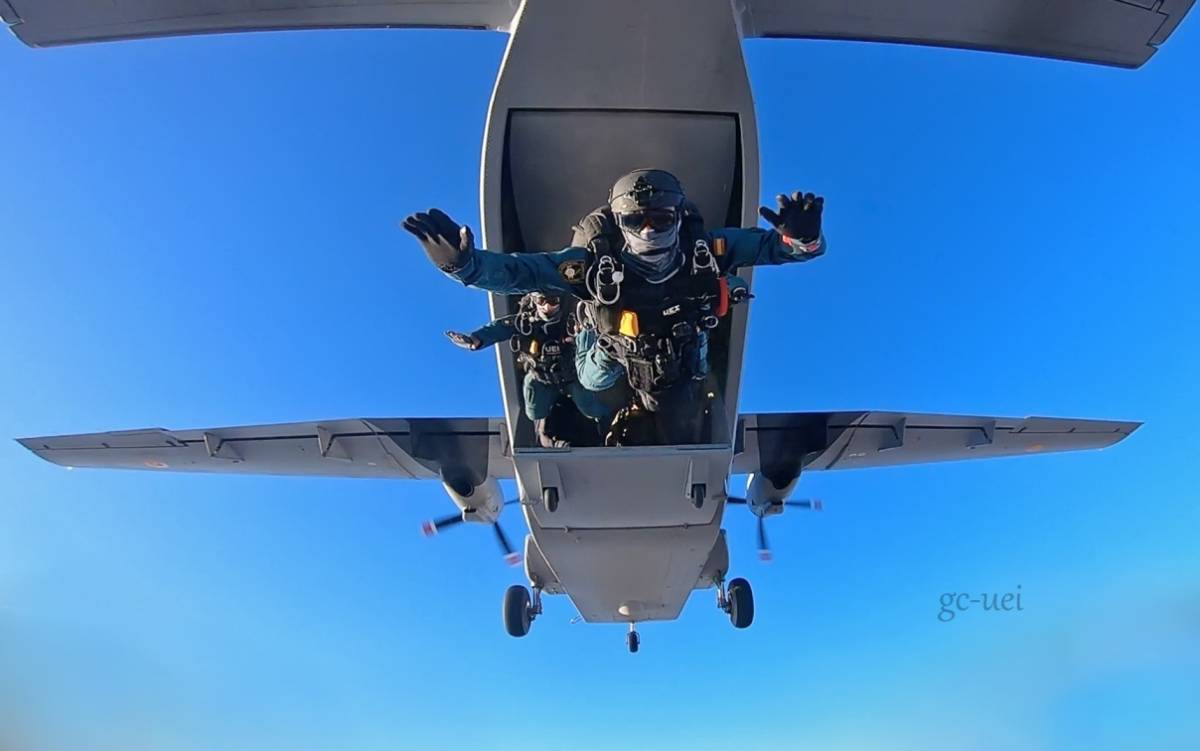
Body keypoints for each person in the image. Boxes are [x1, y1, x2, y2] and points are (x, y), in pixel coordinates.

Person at [402, 168, 826, 444]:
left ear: (677, 217)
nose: (649, 229)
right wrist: (463, 266)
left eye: (660, 219)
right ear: (620, 225)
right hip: (611, 346)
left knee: (684, 404)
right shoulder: (589, 267)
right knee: (594, 383)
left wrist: (802, 238)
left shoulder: (708, 249)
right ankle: (586, 332)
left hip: (677, 348)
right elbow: (521, 274)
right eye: (636, 221)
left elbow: (779, 249)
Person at [445, 291, 613, 447]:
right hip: (540, 378)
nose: (547, 307)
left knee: (592, 408)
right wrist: (475, 340)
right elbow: (499, 327)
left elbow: (592, 325)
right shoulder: (525, 322)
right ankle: (542, 430)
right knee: (533, 411)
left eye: (553, 301)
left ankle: (611, 424)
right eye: (542, 301)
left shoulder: (574, 319)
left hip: (574, 376)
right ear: (535, 301)